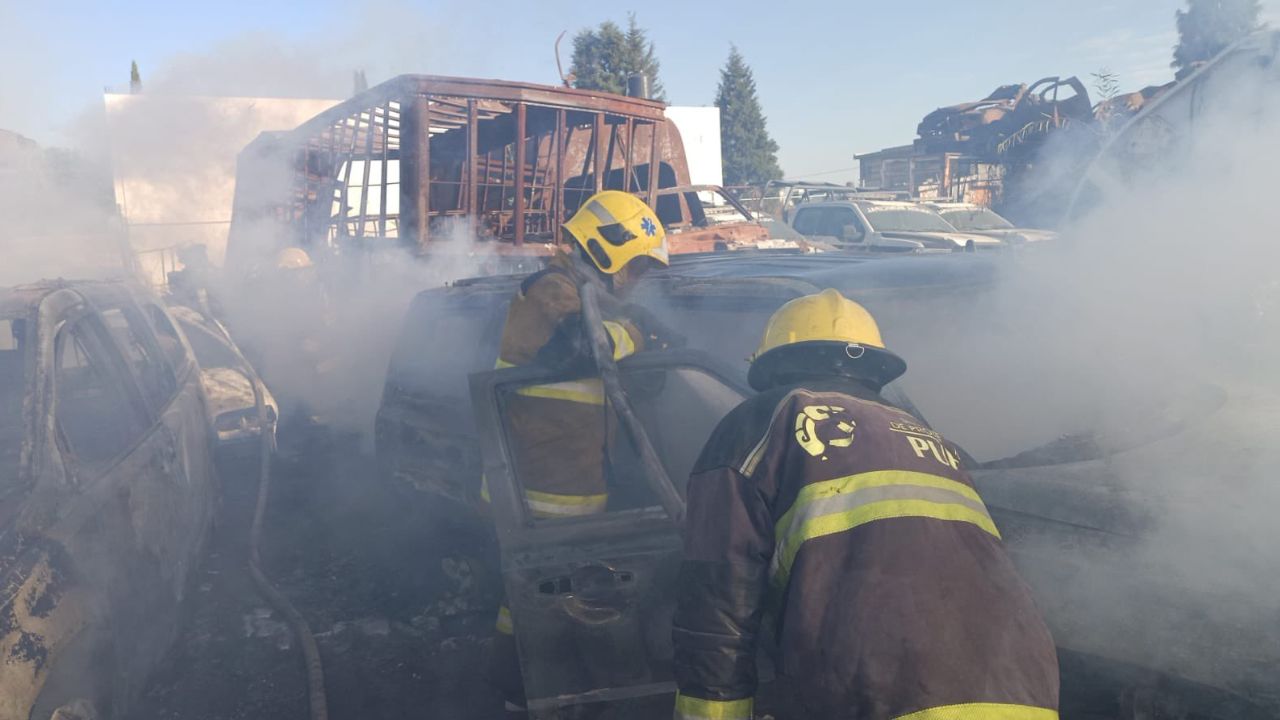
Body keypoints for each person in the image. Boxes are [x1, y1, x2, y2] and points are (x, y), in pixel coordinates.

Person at [671, 289, 1059, 720]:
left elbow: (720, 593)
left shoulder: (765, 419)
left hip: (887, 696)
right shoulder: (929, 438)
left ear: (772, 363)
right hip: (1027, 694)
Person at [488, 190, 677, 715]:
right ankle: (546, 693)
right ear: (608, 246)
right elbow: (582, 347)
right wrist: (638, 332)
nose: (637, 277)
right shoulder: (553, 288)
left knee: (531, 596)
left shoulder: (579, 293)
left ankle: (518, 689)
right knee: (556, 599)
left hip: (559, 482)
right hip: (541, 486)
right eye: (636, 263)